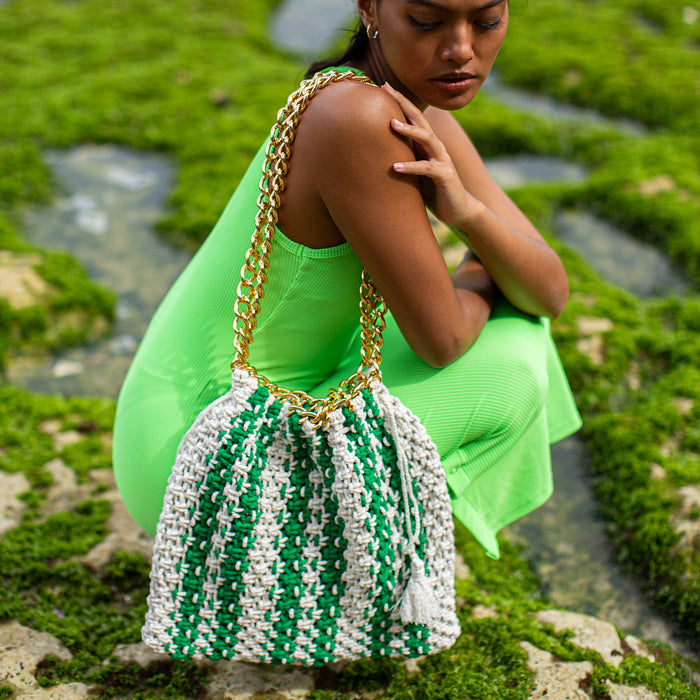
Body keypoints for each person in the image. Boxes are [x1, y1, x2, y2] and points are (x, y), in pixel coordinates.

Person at [113, 0, 581, 558]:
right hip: (198, 453)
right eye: (428, 22)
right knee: (510, 369)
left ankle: (358, 547)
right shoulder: (357, 117)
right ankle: (322, 566)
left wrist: (468, 215)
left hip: (253, 403)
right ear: (369, 8)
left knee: (521, 319)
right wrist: (484, 269)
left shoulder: (417, 112)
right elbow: (445, 338)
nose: (461, 49)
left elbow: (550, 290)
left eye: (486, 21)